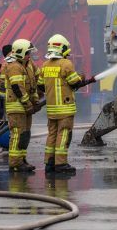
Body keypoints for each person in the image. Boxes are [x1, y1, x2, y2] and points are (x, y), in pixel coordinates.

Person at [38, 34, 95, 174]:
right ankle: (61, 164)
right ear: (62, 48)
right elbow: (75, 82)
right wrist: (85, 79)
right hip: (65, 108)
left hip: (51, 109)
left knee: (52, 135)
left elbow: (40, 87)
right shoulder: (66, 64)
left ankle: (49, 163)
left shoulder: (45, 65)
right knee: (63, 135)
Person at [2, 38, 38, 173]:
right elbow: (18, 88)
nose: (30, 55)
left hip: (24, 106)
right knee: (17, 134)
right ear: (21, 52)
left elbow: (32, 84)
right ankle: (15, 163)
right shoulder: (14, 66)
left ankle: (22, 160)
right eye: (28, 52)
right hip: (17, 107)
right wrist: (28, 104)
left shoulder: (25, 64)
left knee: (25, 135)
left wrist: (34, 100)